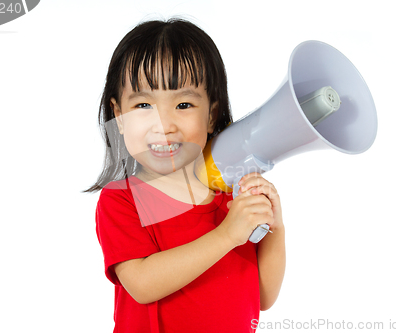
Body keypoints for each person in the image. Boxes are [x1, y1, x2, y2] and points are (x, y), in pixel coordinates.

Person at [83, 18, 286, 332]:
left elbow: (263, 297)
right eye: (143, 105)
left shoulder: (230, 198)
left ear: (211, 115)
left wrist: (275, 225)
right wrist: (227, 235)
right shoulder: (122, 199)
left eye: (183, 104)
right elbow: (142, 284)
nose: (164, 125)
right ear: (119, 117)